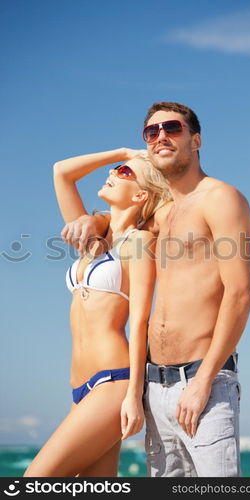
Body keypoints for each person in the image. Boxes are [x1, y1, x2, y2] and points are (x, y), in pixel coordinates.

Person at [62, 102, 250, 477]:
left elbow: (240, 295)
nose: (161, 137)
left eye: (172, 129)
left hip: (203, 384)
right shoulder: (160, 213)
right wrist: (94, 218)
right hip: (154, 388)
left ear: (196, 140)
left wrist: (203, 381)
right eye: (151, 132)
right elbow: (124, 223)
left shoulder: (221, 198)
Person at [24, 147, 171, 477]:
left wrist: (134, 395)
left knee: (34, 481)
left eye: (124, 172)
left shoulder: (140, 242)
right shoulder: (92, 240)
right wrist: (121, 152)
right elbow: (62, 172)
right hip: (79, 388)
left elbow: (141, 321)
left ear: (140, 195)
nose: (113, 172)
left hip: (113, 382)